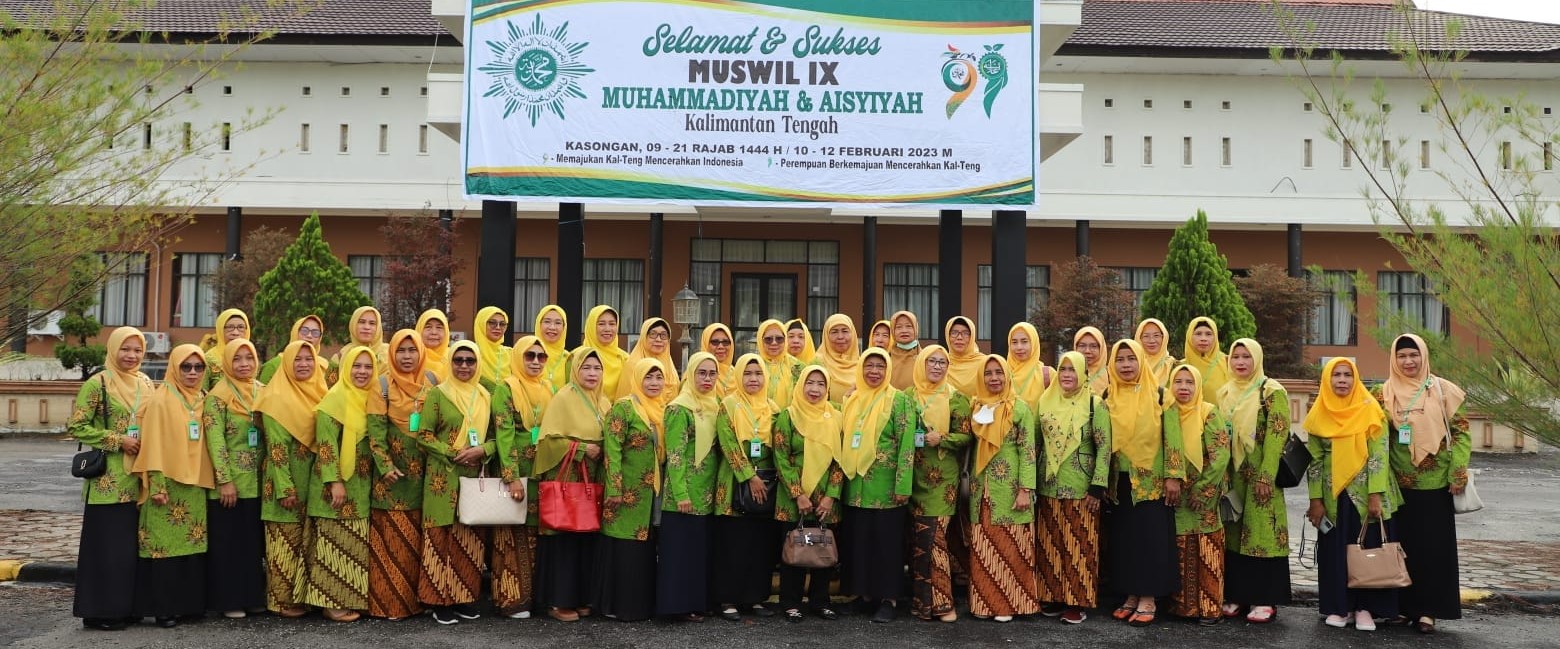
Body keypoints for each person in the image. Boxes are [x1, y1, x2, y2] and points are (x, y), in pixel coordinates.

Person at [1377, 333, 1468, 634]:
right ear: (1394, 359)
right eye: (1402, 355)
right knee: (1401, 548)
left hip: (1436, 484)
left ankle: (1428, 611)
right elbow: (1376, 437)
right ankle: (1403, 608)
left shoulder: (1443, 390)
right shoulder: (1383, 392)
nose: (1408, 361)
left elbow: (1461, 432)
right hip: (1398, 484)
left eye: (1414, 355)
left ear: (1424, 356)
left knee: (1433, 549)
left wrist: (1458, 472)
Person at [71, 327, 155, 631]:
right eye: (125, 349)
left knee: (129, 551)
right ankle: (100, 612)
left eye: (137, 350)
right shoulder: (98, 383)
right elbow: (76, 426)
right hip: (107, 481)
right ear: (113, 348)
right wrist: (118, 440)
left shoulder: (146, 382)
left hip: (138, 478)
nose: (131, 355)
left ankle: (127, 608)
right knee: (106, 550)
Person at [1306, 358, 1398, 632]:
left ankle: (1365, 608)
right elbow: (1315, 461)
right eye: (1336, 375)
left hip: (1365, 494)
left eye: (1347, 375)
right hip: (1333, 495)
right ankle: (1340, 606)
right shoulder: (1319, 412)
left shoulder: (1370, 409)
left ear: (1355, 378)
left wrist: (1375, 495)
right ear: (1327, 379)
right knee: (1336, 553)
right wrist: (1315, 500)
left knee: (1368, 550)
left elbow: (1379, 455)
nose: (1342, 380)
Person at [127, 344, 215, 627]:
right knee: (162, 548)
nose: (192, 372)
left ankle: (189, 606)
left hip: (196, 484)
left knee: (192, 544)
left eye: (198, 367)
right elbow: (152, 443)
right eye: (185, 367)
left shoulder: (203, 398)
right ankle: (164, 608)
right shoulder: (161, 399)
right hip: (167, 484)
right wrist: (157, 484)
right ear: (175, 368)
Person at [1103, 339, 1184, 627]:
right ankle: (1131, 594)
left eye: (1131, 359)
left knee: (1150, 539)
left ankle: (1148, 597)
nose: (1126, 365)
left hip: (1151, 480)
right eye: (1120, 359)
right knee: (1125, 540)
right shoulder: (1108, 395)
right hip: (1120, 481)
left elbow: (1173, 438)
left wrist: (1173, 476)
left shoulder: (1161, 395)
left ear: (1141, 361)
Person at [416, 341, 495, 625]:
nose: (464, 366)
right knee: (439, 539)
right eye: (458, 360)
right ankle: (438, 601)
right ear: (450, 362)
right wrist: (454, 452)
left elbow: (496, 438)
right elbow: (423, 435)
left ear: (477, 364)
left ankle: (463, 599)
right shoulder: (438, 394)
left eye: (470, 361)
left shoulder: (485, 396)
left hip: (473, 476)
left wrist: (482, 450)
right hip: (443, 476)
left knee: (468, 539)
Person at [533, 348, 611, 622]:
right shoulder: (564, 398)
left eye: (597, 368)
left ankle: (580, 597)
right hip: (568, 478)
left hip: (592, 479)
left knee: (586, 537)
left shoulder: (603, 401)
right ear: (575, 370)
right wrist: (581, 448)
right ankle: (558, 601)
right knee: (564, 537)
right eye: (586, 367)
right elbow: (548, 441)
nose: (592, 373)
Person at [1217, 338, 1292, 623]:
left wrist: (1266, 475)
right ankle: (1237, 595)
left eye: (1246, 356)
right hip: (1234, 474)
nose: (1240, 362)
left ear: (1257, 359)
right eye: (1235, 356)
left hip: (1261, 476)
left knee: (1262, 534)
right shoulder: (1225, 392)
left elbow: (1277, 436)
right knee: (1235, 535)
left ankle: (1265, 599)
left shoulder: (1271, 391)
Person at [840, 348, 917, 623]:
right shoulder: (852, 400)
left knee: (887, 545)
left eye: (880, 366)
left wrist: (902, 485)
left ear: (888, 370)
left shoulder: (899, 400)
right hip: (855, 486)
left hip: (886, 488)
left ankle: (888, 599)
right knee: (860, 543)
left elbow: (907, 444)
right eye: (869, 366)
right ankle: (864, 596)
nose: (874, 372)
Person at [1034, 351, 1111, 624]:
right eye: (1063, 369)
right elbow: (1036, 443)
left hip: (1081, 487)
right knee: (1051, 544)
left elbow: (1104, 447)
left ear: (1083, 374)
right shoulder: (1045, 400)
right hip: (1049, 485)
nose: (1067, 375)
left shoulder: (1094, 403)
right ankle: (1054, 596)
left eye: (1072, 370)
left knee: (1079, 544)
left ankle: (1077, 601)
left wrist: (1097, 486)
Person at [302, 346, 377, 623]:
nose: (362, 372)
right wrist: (334, 481)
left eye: (368, 367)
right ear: (346, 368)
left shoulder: (371, 399)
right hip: (335, 487)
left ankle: (348, 599)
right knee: (333, 544)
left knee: (353, 546)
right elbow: (326, 445)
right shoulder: (334, 399)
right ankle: (331, 604)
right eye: (356, 366)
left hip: (361, 485)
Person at [256, 340, 328, 617]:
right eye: (297, 359)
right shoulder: (275, 398)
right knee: (283, 544)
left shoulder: (320, 392)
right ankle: (280, 600)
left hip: (311, 482)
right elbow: (276, 449)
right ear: (286, 363)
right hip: (284, 483)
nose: (304, 364)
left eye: (309, 359)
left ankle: (301, 598)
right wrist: (285, 489)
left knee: (303, 543)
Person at [965, 355, 1040, 622]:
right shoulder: (975, 406)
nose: (994, 378)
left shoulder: (1019, 408)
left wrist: (1025, 489)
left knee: (1011, 548)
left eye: (999, 372)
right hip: (981, 490)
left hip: (1010, 489)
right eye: (988, 373)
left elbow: (1028, 451)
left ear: (1007, 376)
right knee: (984, 548)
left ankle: (1008, 605)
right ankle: (984, 604)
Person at [365, 330, 433, 620]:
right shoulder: (382, 384)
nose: (407, 356)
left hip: (425, 477)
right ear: (392, 354)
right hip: (392, 479)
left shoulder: (432, 381)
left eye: (412, 350)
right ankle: (388, 605)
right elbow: (376, 431)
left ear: (421, 353)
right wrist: (385, 466)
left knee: (416, 543)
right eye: (401, 351)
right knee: (391, 544)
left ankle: (415, 603)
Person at [595, 358, 667, 622]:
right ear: (637, 379)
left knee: (643, 549)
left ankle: (640, 607)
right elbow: (612, 451)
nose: (654, 383)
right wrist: (614, 488)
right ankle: (617, 606)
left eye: (659, 377)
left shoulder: (662, 409)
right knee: (623, 548)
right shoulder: (624, 408)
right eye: (648, 377)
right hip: (626, 492)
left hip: (651, 493)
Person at [772, 366, 846, 623]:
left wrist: (830, 496)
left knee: (823, 550)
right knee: (794, 550)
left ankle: (820, 601)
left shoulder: (836, 417)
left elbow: (841, 460)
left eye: (821, 384)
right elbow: (781, 457)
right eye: (810, 383)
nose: (815, 389)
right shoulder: (788, 416)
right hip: (794, 498)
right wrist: (798, 494)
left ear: (828, 389)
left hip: (825, 497)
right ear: (801, 385)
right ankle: (790, 603)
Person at [712, 354, 782, 621]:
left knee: (759, 544)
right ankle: (727, 599)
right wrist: (749, 477)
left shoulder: (773, 408)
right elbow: (728, 444)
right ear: (739, 376)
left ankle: (755, 598)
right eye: (747, 373)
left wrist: (766, 478)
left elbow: (779, 445)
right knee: (733, 544)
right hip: (734, 483)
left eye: (758, 373)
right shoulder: (728, 405)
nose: (753, 379)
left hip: (766, 485)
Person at [489, 335, 555, 619]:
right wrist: (511, 476)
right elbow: (504, 435)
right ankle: (511, 600)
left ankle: (535, 597)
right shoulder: (506, 388)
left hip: (541, 471)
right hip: (516, 471)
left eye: (541, 356)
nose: (536, 361)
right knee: (512, 534)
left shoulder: (549, 388)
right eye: (530, 356)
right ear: (518, 357)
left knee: (536, 536)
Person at [656, 352, 723, 622]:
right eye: (701, 373)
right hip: (682, 495)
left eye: (712, 373)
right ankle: (677, 606)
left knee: (698, 552)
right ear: (690, 374)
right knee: (680, 553)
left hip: (707, 494)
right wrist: (681, 493)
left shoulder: (715, 405)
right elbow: (675, 455)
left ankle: (696, 603)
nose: (707, 379)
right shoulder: (679, 408)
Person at [203, 337, 267, 618]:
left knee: (252, 544)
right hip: (231, 484)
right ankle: (229, 600)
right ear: (227, 363)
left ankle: (251, 596)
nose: (244, 364)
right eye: (237, 359)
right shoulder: (217, 397)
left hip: (259, 481)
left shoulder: (262, 391)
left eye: (249, 358)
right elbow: (215, 441)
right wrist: (224, 480)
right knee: (229, 544)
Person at [907, 345, 971, 622]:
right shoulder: (908, 397)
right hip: (913, 477)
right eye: (931, 361)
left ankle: (944, 604)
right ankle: (922, 604)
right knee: (920, 543)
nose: (936, 366)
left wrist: (942, 439)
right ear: (922, 364)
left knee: (935, 539)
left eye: (942, 362)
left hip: (943, 479)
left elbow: (966, 436)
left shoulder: (956, 398)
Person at [1167, 364, 1232, 626]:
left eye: (1189, 382)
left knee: (1207, 549)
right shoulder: (1168, 412)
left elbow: (1220, 456)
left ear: (1198, 386)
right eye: (1178, 382)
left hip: (1204, 494)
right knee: (1182, 548)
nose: (1183, 387)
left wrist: (1203, 490)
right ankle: (1185, 607)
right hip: (1177, 496)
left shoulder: (1208, 412)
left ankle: (1210, 608)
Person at [619, 317, 680, 402]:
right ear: (644, 337)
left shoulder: (669, 365)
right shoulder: (634, 364)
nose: (658, 339)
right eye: (653, 334)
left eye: (663, 335)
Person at [259, 315, 329, 383]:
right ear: (295, 332)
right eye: (304, 331)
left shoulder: (323, 366)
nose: (309, 335)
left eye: (315, 332)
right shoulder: (274, 365)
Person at [582, 305, 631, 397]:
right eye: (601, 324)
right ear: (591, 326)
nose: (607, 329)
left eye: (612, 324)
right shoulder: (577, 356)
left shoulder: (625, 359)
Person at [1182, 317, 1231, 404]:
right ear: (1189, 336)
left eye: (1208, 334)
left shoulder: (1228, 363)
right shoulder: (1179, 366)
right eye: (1198, 334)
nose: (1203, 338)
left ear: (1215, 337)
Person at [756, 319, 801, 408]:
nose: (774, 343)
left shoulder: (797, 366)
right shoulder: (753, 364)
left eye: (779, 339)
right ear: (760, 340)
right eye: (768, 339)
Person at [1008, 322, 1053, 409]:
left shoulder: (1047, 374)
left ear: (1034, 343)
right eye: (1014, 342)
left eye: (1024, 342)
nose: (1019, 347)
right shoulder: (1001, 372)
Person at [817, 314, 859, 404]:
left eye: (845, 331)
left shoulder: (863, 364)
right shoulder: (817, 363)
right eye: (834, 332)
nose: (840, 336)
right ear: (826, 335)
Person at [204, 309, 250, 390]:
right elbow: (200, 393)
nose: (235, 333)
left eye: (241, 327)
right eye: (230, 327)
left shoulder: (251, 357)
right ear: (220, 329)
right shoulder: (208, 360)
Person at [473, 306, 513, 391]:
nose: (498, 327)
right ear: (481, 324)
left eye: (502, 324)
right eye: (492, 323)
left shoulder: (511, 354)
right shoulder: (470, 353)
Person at [942, 316, 984, 397]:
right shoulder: (940, 362)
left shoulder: (984, 363)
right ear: (947, 336)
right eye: (954, 333)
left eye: (965, 333)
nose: (959, 337)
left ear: (972, 337)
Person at [535, 304, 572, 391]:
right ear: (539, 324)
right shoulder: (528, 355)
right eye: (547, 322)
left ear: (564, 327)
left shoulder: (569, 359)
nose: (552, 327)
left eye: (558, 323)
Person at [343, 306, 389, 373]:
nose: (367, 327)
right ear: (353, 324)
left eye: (372, 323)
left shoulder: (390, 354)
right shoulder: (341, 355)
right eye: (362, 322)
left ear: (378, 327)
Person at [1134, 319, 1175, 386]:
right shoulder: (1131, 367)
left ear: (1164, 338)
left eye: (1156, 335)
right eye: (1146, 336)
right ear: (1139, 339)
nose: (1152, 341)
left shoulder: (1173, 366)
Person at [886, 310, 921, 390]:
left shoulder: (925, 357)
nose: (904, 331)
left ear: (916, 329)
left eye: (909, 326)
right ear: (893, 331)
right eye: (899, 327)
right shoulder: (886, 359)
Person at [700, 323, 738, 397]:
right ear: (705, 344)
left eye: (725, 342)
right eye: (715, 342)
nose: (721, 346)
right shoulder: (695, 373)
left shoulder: (737, 375)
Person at [1072, 326, 1110, 396]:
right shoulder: (1066, 375)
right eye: (1082, 346)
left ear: (1101, 349)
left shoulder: (1112, 376)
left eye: (1093, 346)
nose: (1087, 351)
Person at [417, 309, 452, 382]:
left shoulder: (453, 356)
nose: (434, 332)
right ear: (420, 329)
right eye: (428, 327)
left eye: (439, 328)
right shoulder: (411, 357)